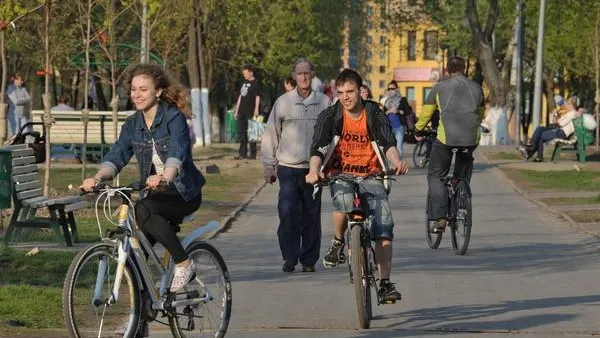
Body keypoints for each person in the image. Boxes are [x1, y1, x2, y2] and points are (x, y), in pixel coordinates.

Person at [81, 63, 205, 292]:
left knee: (143, 209)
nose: (137, 95)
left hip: (183, 192)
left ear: (157, 91)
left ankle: (184, 263)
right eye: (134, 89)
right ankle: (141, 316)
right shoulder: (132, 124)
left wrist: (165, 177)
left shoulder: (173, 117)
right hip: (155, 196)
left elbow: (178, 150)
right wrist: (97, 178)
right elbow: (117, 154)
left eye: (143, 89)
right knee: (136, 262)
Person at [306, 69, 409, 302]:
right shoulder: (330, 116)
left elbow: (387, 142)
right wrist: (314, 171)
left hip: (372, 174)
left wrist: (397, 162)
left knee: (383, 227)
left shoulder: (373, 113)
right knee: (342, 201)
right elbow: (317, 148)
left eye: (350, 91)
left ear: (360, 91)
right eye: (340, 92)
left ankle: (385, 283)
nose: (345, 97)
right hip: (341, 173)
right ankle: (338, 242)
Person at [262, 58, 331, 273]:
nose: (303, 77)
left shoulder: (325, 102)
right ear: (294, 76)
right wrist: (268, 165)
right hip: (288, 167)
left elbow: (333, 135)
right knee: (288, 210)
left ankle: (308, 259)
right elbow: (271, 133)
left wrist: (326, 166)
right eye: (299, 73)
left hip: (314, 169)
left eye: (307, 73)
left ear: (313, 75)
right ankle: (290, 256)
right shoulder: (283, 102)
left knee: (311, 215)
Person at [414, 56, 483, 233]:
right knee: (465, 163)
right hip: (471, 138)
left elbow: (427, 112)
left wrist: (418, 129)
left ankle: (441, 217)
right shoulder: (477, 88)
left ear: (446, 70)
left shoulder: (439, 87)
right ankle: (462, 190)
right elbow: (480, 112)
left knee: (436, 175)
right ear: (465, 68)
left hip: (447, 138)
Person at [519, 96, 582, 162]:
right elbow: (555, 122)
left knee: (540, 135)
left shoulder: (573, 113)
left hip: (562, 132)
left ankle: (532, 151)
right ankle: (531, 149)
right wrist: (555, 115)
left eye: (567, 104)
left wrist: (558, 118)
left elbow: (561, 123)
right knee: (539, 128)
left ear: (571, 105)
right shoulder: (569, 113)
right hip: (558, 130)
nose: (566, 105)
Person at [234, 64, 261, 159]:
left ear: (251, 72)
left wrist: (256, 109)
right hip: (242, 111)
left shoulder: (256, 83)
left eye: (246, 73)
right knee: (242, 133)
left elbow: (258, 96)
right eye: (243, 74)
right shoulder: (244, 82)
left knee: (252, 133)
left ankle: (253, 154)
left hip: (251, 111)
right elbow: (240, 96)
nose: (244, 75)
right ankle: (242, 153)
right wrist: (236, 110)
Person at [383, 80, 405, 159]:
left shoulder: (402, 99)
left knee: (399, 147)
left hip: (399, 127)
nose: (390, 90)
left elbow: (407, 111)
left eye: (392, 89)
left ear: (396, 89)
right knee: (390, 147)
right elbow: (382, 113)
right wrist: (388, 111)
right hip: (388, 127)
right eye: (389, 89)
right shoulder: (385, 101)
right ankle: (391, 164)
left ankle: (398, 165)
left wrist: (398, 111)